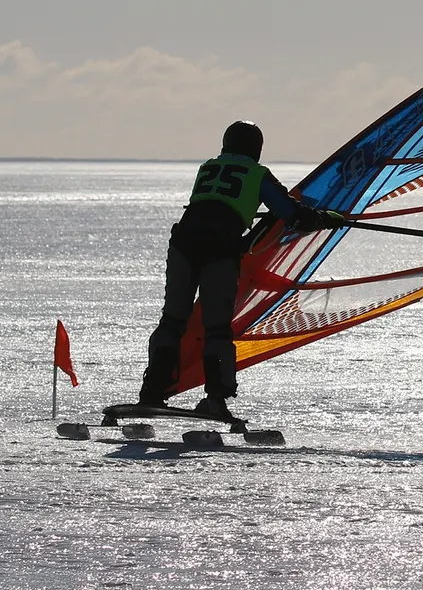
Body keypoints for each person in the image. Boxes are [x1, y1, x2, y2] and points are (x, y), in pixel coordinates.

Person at [138, 120, 344, 419]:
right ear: (256, 150)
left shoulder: (208, 167)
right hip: (219, 250)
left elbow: (218, 204)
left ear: (225, 145)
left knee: (172, 321)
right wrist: (326, 218)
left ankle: (151, 392)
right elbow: (292, 214)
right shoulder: (258, 174)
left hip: (183, 244)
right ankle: (216, 399)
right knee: (217, 326)